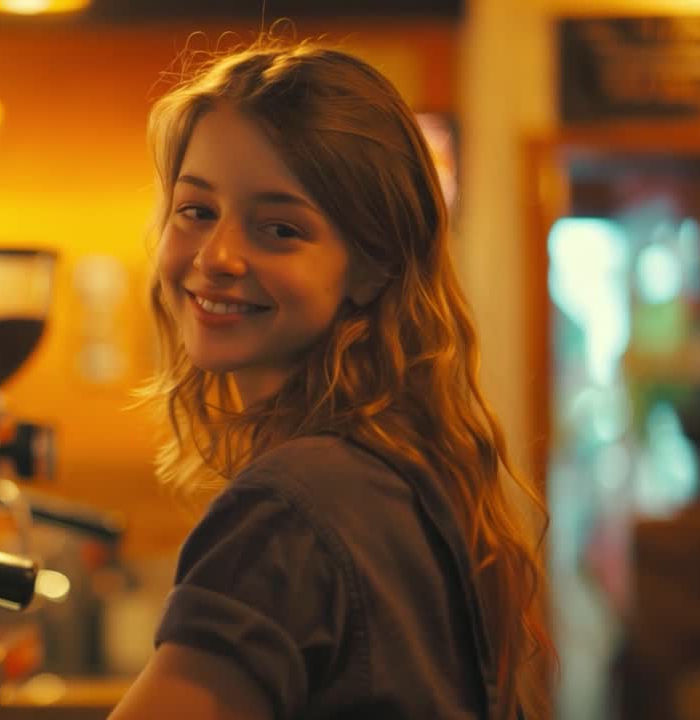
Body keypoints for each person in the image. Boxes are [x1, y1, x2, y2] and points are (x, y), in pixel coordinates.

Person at [108, 37, 555, 720]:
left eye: (279, 228)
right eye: (197, 210)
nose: (219, 255)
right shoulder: (400, 473)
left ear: (373, 266)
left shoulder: (288, 509)